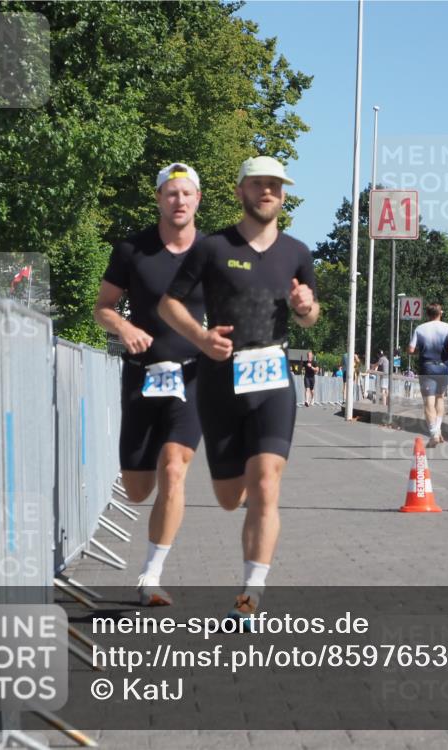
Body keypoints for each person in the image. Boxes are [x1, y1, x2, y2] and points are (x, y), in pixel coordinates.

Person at [158, 155, 318, 620]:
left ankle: (251, 593)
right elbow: (169, 305)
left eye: (275, 185)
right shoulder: (210, 248)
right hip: (219, 381)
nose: (267, 191)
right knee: (231, 497)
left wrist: (306, 307)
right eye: (258, 184)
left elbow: (311, 316)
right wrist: (201, 338)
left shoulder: (297, 253)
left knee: (267, 484)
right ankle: (244, 488)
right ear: (240, 191)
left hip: (272, 379)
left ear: (283, 195)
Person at [93, 162, 205, 606]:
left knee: (175, 470)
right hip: (142, 376)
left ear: (198, 199)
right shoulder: (131, 250)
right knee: (139, 488)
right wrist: (122, 327)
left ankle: (151, 575)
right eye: (171, 193)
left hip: (193, 378)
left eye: (187, 193)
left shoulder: (211, 252)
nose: (179, 201)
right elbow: (103, 306)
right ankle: (150, 475)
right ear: (159, 199)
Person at [408, 302, 448, 447]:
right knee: (440, 398)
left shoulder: (420, 329)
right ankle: (438, 430)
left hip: (427, 368)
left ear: (428, 314)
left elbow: (410, 350)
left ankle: (434, 433)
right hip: (443, 367)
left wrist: (420, 351)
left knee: (429, 401)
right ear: (440, 313)